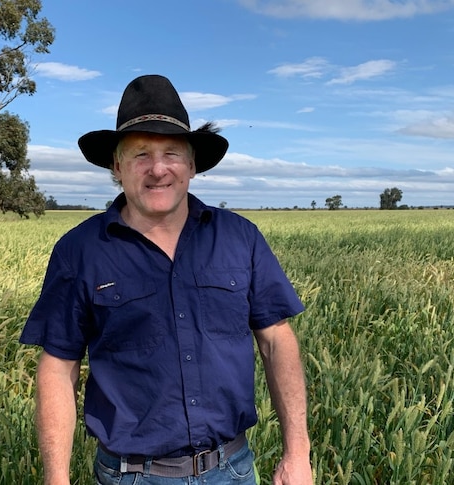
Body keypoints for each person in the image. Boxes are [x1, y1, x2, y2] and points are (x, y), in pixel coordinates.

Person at [19, 74, 312, 484]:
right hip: (131, 476)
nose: (158, 169)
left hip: (232, 469)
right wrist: (56, 478)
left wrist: (297, 453)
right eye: (140, 154)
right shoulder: (80, 250)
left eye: (172, 153)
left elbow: (276, 340)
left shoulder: (239, 238)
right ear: (117, 167)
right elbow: (58, 366)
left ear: (192, 164)